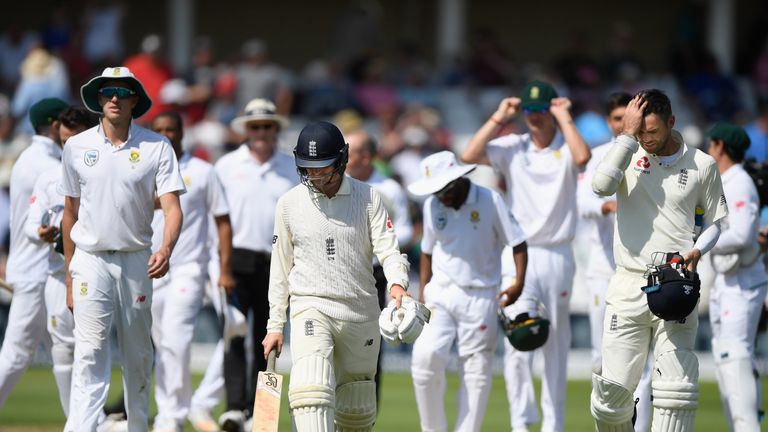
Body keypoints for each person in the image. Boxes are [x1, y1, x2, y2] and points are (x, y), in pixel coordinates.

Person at [589, 89, 728, 431]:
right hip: (628, 282)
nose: (646, 139)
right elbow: (600, 186)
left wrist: (698, 250)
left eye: (652, 131)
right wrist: (626, 136)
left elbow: (714, 224)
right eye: (640, 132)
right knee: (611, 398)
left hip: (676, 283)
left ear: (671, 123)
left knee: (675, 392)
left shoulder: (702, 164)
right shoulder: (627, 151)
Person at [262, 121, 411, 431]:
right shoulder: (289, 204)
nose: (315, 176)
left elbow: (389, 249)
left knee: (356, 410)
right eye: (308, 169)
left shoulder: (369, 197)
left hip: (361, 311)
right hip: (311, 306)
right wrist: (275, 324)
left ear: (342, 160)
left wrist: (398, 284)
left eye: (323, 169)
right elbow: (280, 267)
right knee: (310, 394)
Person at [461, 80, 591, 432]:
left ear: (551, 110)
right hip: (519, 253)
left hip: (558, 253)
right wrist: (499, 117)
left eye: (540, 110)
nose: (534, 117)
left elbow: (583, 159)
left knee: (556, 343)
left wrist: (564, 117)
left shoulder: (566, 144)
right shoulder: (512, 146)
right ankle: (521, 422)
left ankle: (553, 424)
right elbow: (469, 155)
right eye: (529, 111)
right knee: (519, 338)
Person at [60, 66, 185, 432]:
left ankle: (137, 427)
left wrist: (166, 247)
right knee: (90, 352)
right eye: (106, 91)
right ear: (98, 99)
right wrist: (69, 274)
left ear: (134, 99)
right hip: (90, 259)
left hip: (136, 260)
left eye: (122, 91)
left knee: (138, 355)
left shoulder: (156, 146)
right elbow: (70, 212)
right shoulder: (76, 146)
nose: (114, 98)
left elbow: (173, 207)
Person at [407, 151, 528, 432]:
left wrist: (518, 283)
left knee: (476, 372)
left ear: (459, 180)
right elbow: (426, 251)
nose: (440, 198)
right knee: (424, 359)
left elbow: (518, 242)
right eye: (435, 192)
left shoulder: (490, 200)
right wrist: (424, 294)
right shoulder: (432, 205)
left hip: (481, 293)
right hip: (441, 292)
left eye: (444, 190)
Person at [213, 98, 299, 430]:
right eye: (255, 127)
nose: (261, 132)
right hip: (236, 260)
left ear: (275, 129)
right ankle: (235, 407)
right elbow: (217, 221)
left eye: (267, 126)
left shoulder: (290, 167)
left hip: (276, 263)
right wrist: (220, 268)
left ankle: (260, 412)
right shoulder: (227, 166)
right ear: (246, 131)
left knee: (270, 338)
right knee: (234, 334)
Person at [149, 111, 233, 432]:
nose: (167, 134)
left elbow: (222, 222)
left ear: (183, 132)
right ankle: (170, 409)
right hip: (152, 268)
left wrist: (223, 269)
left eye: (172, 129)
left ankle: (172, 415)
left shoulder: (202, 171)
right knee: (162, 343)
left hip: (189, 267)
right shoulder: (144, 168)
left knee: (177, 338)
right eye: (160, 130)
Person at [577, 92, 653, 432]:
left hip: (640, 268)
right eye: (618, 118)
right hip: (603, 268)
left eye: (629, 117)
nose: (624, 124)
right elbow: (582, 203)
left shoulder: (649, 155)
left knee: (644, 362)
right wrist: (608, 206)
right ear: (610, 121)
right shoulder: (597, 157)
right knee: (601, 358)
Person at [24, 106, 97, 417]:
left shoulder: (103, 171)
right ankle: (75, 421)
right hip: (58, 274)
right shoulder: (48, 177)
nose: (70, 148)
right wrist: (40, 232)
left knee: (94, 350)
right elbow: (30, 225)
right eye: (65, 141)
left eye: (76, 139)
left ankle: (96, 418)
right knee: (63, 350)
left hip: (98, 271)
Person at [0, 97, 68, 407]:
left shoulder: (33, 157)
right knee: (18, 353)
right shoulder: (44, 163)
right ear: (56, 125)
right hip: (37, 272)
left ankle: (84, 423)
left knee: (66, 349)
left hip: (37, 270)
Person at [706, 123, 767, 431]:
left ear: (719, 146)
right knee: (725, 359)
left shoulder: (739, 182)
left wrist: (699, 244)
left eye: (710, 144)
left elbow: (742, 234)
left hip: (742, 282)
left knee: (736, 356)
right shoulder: (725, 181)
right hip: (727, 280)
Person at [345, 129, 413, 401]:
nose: (344, 157)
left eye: (350, 152)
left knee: (372, 344)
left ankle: (367, 412)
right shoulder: (338, 185)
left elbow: (406, 231)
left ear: (366, 156)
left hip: (378, 272)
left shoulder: (388, 189)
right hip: (343, 269)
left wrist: (381, 242)